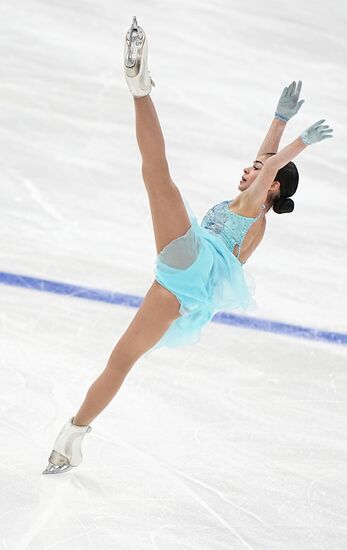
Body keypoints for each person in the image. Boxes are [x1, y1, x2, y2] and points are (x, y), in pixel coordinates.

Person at [42, 16, 333, 474]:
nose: (249, 169)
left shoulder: (256, 205)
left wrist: (297, 139)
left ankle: (141, 91)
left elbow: (273, 161)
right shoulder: (253, 202)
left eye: (259, 171)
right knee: (121, 360)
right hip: (183, 282)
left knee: (159, 178)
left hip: (193, 263)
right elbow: (267, 158)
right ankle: (72, 436)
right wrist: (278, 119)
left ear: (272, 188)